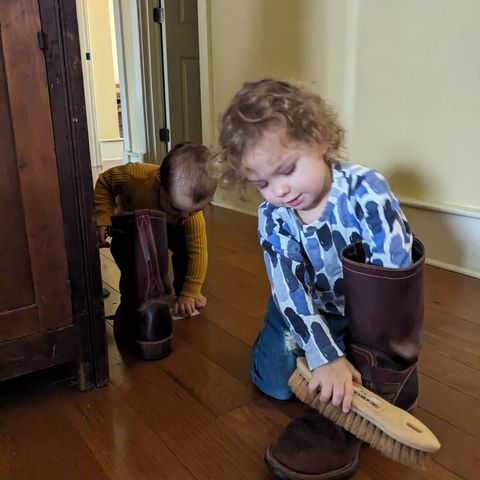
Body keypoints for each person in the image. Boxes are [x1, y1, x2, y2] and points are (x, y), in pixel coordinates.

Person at [217, 79, 425, 479]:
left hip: (366, 318)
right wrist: (324, 355)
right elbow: (288, 288)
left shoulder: (367, 191)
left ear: (322, 139)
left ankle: (394, 374)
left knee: (359, 367)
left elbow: (395, 282)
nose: (279, 190)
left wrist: (384, 357)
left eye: (288, 170)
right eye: (262, 183)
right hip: (302, 308)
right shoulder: (274, 215)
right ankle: (297, 343)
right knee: (277, 383)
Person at [95, 143, 217, 319]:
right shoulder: (134, 176)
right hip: (133, 225)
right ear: (158, 181)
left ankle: (184, 288)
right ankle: (136, 296)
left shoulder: (189, 217)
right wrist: (103, 216)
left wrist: (190, 292)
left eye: (193, 211)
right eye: (176, 208)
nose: (183, 216)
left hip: (169, 230)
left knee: (186, 247)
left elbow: (197, 252)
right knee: (132, 261)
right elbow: (105, 183)